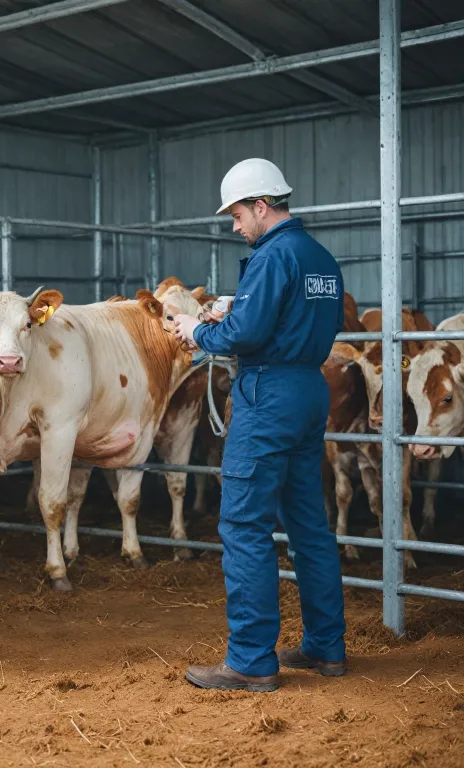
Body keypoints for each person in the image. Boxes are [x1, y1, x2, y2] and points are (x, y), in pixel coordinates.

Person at [173, 158, 347, 693]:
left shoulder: (273, 256)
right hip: (308, 389)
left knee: (244, 524)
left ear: (261, 206)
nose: (234, 225)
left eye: (237, 214)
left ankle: (250, 659)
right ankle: (326, 646)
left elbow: (247, 334)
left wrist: (197, 332)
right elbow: (305, 318)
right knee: (309, 525)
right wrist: (230, 315)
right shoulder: (320, 258)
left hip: (268, 393)